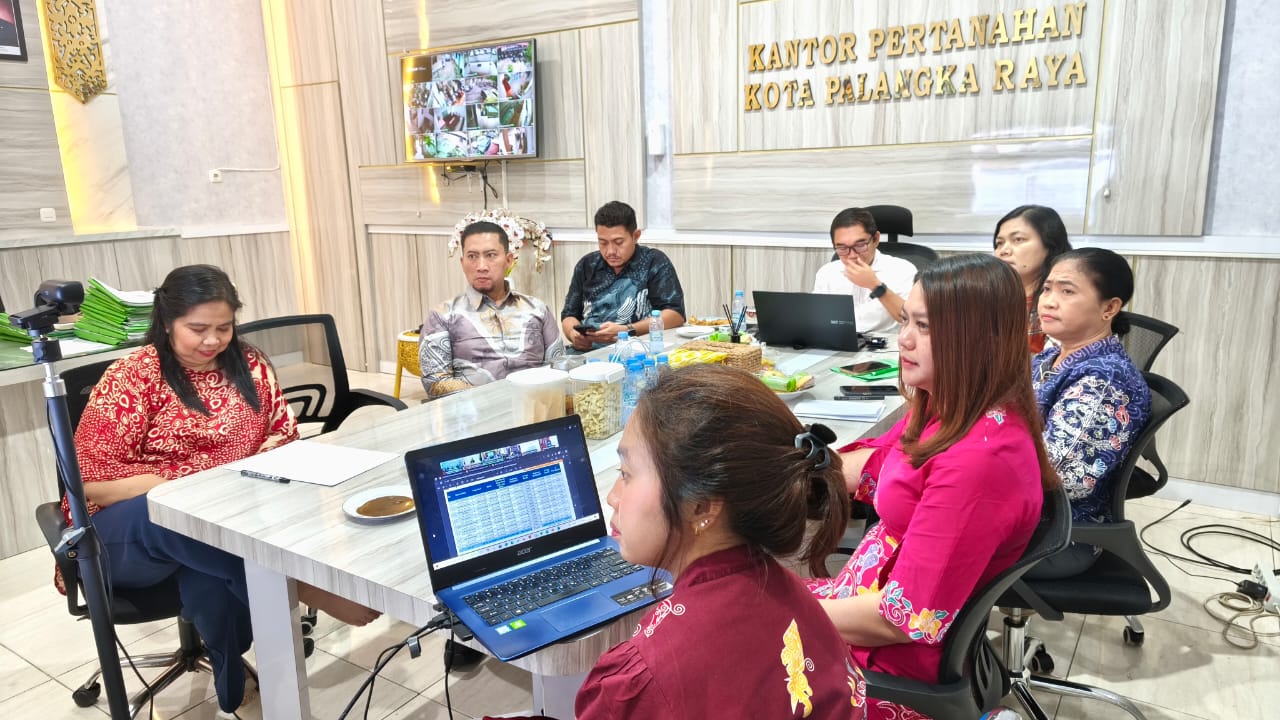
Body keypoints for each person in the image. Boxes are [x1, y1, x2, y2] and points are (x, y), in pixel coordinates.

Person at [67, 265, 378, 716]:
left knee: (208, 573)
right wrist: (181, 484)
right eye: (198, 329)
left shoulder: (249, 364)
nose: (213, 341)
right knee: (172, 516)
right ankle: (303, 586)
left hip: (226, 511)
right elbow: (91, 481)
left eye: (224, 327)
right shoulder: (133, 377)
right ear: (167, 321)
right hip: (122, 528)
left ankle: (231, 676)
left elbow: (282, 440)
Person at [487, 365, 865, 719]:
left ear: (701, 506)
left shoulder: (645, 681)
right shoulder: (791, 594)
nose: (613, 497)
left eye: (627, 474)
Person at [807, 254, 1058, 720]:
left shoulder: (981, 460)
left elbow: (902, 618)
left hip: (885, 661)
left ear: (979, 340)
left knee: (715, 643)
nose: (903, 339)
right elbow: (878, 464)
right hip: (860, 608)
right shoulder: (949, 408)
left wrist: (780, 612)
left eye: (923, 327)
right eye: (906, 320)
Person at [1027, 248, 1151, 579]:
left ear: (1109, 308)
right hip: (1028, 515)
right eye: (1048, 288)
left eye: (1067, 291)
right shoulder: (1049, 358)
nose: (1049, 301)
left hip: (1059, 535)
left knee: (920, 525)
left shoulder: (1103, 379)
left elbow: (1062, 477)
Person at [419, 220, 564, 400]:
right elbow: (435, 382)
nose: (481, 266)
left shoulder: (537, 309)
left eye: (490, 255)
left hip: (535, 410)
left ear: (509, 260)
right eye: (472, 256)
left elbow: (559, 365)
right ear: (462, 262)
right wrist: (490, 398)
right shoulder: (443, 316)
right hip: (474, 417)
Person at [561, 201, 686, 352]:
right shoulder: (587, 265)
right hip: (589, 352)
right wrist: (574, 335)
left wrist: (627, 330)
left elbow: (675, 315)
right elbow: (569, 315)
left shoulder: (654, 262)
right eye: (603, 243)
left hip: (637, 350)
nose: (610, 251)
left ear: (635, 236)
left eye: (618, 242)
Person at [812, 208, 918, 334]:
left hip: (887, 346)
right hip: (840, 343)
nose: (852, 255)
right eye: (842, 247)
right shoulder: (827, 273)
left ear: (876, 239)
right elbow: (817, 318)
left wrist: (875, 285)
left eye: (860, 245)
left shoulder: (903, 270)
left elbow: (912, 320)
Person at [992, 205, 1073, 353]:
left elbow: (1055, 367)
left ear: (1050, 244)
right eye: (999, 243)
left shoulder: (1059, 303)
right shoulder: (990, 296)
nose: (1004, 250)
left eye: (1018, 239)